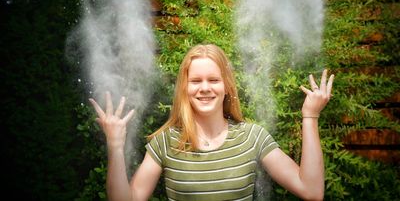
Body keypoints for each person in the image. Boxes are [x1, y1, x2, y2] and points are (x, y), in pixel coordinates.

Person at [89, 43, 334, 201]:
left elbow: (311, 191)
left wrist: (310, 116)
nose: (205, 88)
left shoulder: (252, 137)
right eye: (196, 81)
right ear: (185, 87)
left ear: (226, 86)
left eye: (213, 80)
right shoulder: (165, 143)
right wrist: (115, 145)